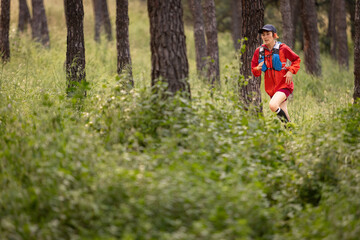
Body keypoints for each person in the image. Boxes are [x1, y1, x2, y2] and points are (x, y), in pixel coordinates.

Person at [251, 24, 301, 123]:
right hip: (271, 89)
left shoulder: (283, 48)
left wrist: (291, 71)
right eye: (263, 35)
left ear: (274, 35)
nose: (265, 37)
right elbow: (255, 71)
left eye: (268, 34)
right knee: (283, 111)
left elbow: (296, 59)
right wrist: (257, 68)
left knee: (273, 105)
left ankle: (289, 129)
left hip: (284, 84)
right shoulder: (259, 51)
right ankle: (291, 133)